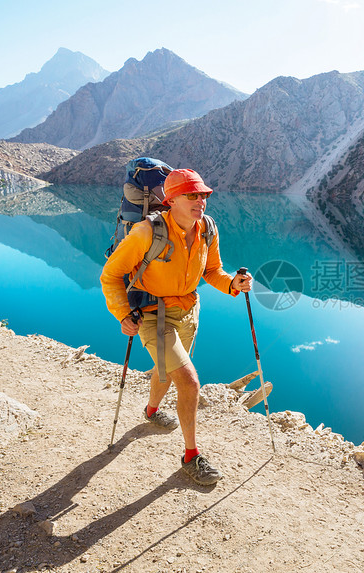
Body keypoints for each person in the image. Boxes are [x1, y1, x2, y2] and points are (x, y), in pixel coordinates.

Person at [100, 168, 252, 485]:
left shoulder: (208, 229)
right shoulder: (145, 232)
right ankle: (191, 456)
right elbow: (111, 275)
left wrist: (233, 284)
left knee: (166, 368)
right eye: (192, 195)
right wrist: (122, 313)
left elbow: (213, 271)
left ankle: (152, 411)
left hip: (188, 311)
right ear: (171, 200)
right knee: (189, 381)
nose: (201, 201)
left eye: (203, 195)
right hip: (154, 314)